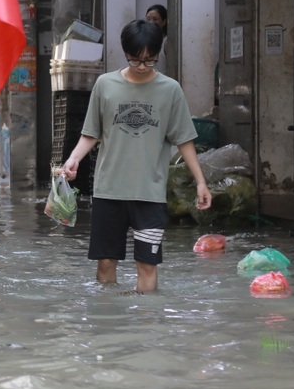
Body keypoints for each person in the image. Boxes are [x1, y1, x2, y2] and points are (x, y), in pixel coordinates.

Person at [59, 19, 212, 294]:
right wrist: (74, 159)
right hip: (108, 192)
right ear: (125, 53)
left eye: (150, 61)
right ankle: (108, 327)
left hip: (150, 194)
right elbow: (91, 133)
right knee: (106, 262)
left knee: (147, 264)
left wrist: (200, 181)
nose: (142, 67)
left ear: (158, 55)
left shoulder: (171, 90)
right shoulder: (105, 85)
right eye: (135, 60)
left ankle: (147, 329)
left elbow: (184, 139)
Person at [145, 4, 168, 72]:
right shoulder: (144, 42)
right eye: (148, 19)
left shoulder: (167, 42)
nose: (151, 22)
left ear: (164, 22)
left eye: (155, 19)